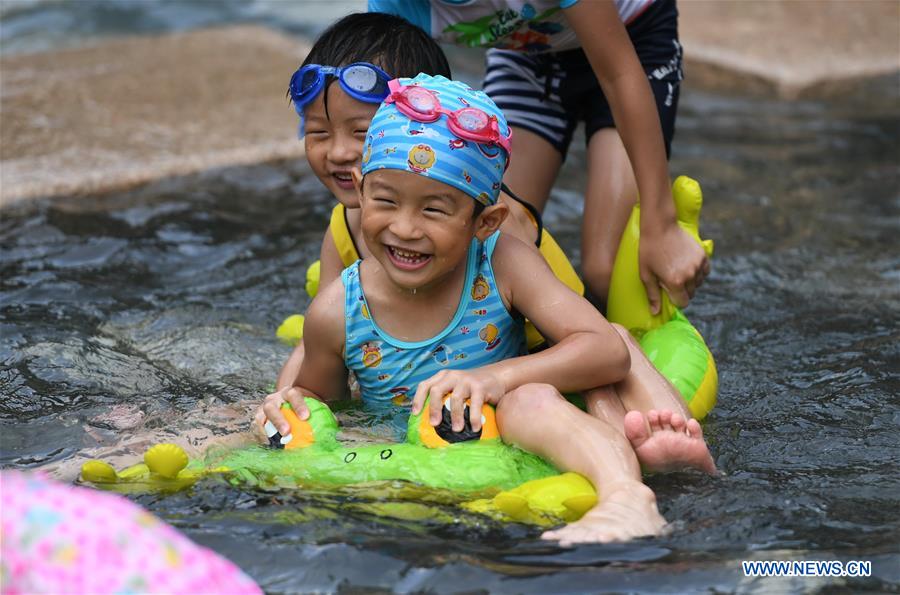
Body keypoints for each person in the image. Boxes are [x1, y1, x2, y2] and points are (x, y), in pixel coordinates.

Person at [260, 74, 714, 544]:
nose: (405, 228)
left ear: (485, 222)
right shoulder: (337, 311)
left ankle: (627, 495)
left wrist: (493, 380)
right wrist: (290, 405)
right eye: (386, 201)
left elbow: (606, 349)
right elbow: (324, 406)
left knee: (531, 395)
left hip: (515, 427)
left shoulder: (502, 262)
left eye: (434, 210)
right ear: (359, 191)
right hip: (415, 455)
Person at [271, 11, 584, 395]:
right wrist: (283, 404)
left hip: (538, 356)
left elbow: (580, 337)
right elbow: (318, 339)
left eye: (362, 133)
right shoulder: (344, 225)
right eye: (318, 131)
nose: (337, 152)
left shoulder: (489, 222)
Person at [367, 0, 710, 313]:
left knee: (608, 271)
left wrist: (660, 222)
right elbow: (393, 129)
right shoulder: (397, 5)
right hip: (528, 59)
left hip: (630, 41)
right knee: (494, 238)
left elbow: (619, 74)